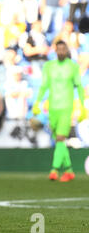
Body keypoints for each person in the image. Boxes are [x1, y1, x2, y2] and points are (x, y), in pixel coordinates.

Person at [32, 40, 86, 182]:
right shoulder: (49, 66)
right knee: (59, 141)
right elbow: (44, 86)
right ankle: (69, 170)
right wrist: (37, 102)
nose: (61, 51)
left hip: (66, 107)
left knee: (61, 138)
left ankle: (54, 170)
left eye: (64, 49)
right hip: (52, 108)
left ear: (67, 50)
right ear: (55, 51)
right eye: (59, 49)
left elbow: (79, 87)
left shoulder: (73, 67)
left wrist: (81, 106)